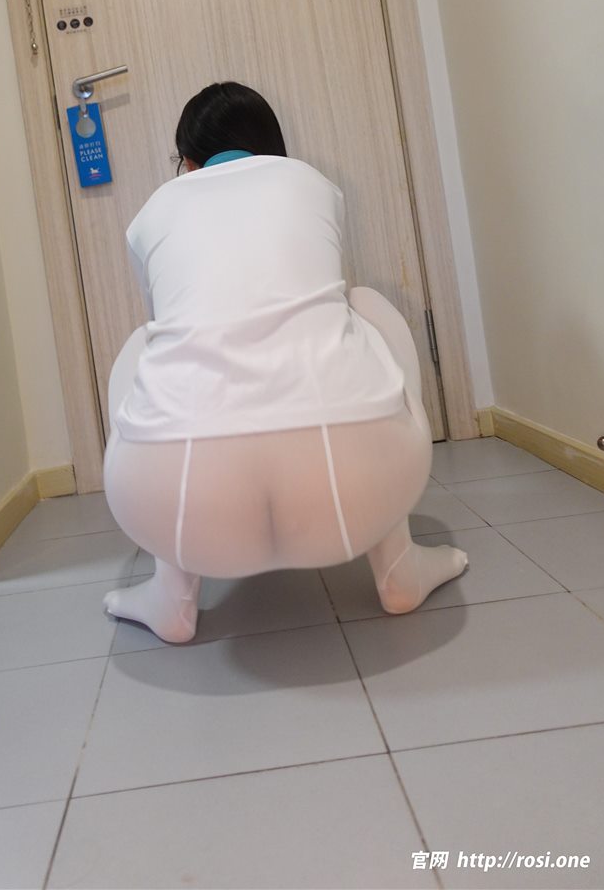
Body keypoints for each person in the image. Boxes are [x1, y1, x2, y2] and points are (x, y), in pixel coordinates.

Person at [102, 82, 468, 643]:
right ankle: (399, 567)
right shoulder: (311, 184)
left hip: (173, 501)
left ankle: (171, 596)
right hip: (360, 483)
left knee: (147, 346)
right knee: (363, 305)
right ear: (272, 148)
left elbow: (168, 328)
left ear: (188, 162)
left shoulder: (155, 210)